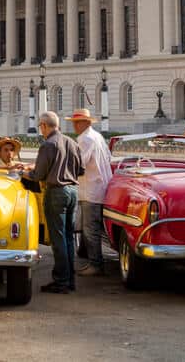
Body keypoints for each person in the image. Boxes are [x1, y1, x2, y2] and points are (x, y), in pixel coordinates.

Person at [28, 111, 83, 294]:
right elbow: (81, 170)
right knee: (68, 238)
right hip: (73, 191)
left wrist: (23, 173)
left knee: (58, 239)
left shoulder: (48, 145)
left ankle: (61, 281)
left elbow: (39, 175)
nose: (40, 130)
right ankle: (69, 280)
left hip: (56, 193)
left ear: (44, 125)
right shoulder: (72, 142)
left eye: (40, 126)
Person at [70, 109, 112, 276]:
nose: (74, 125)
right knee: (90, 226)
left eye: (77, 122)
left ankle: (95, 264)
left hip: (91, 190)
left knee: (90, 229)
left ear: (85, 123)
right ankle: (87, 255)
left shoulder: (85, 139)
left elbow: (79, 165)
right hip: (100, 186)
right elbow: (108, 157)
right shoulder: (97, 136)